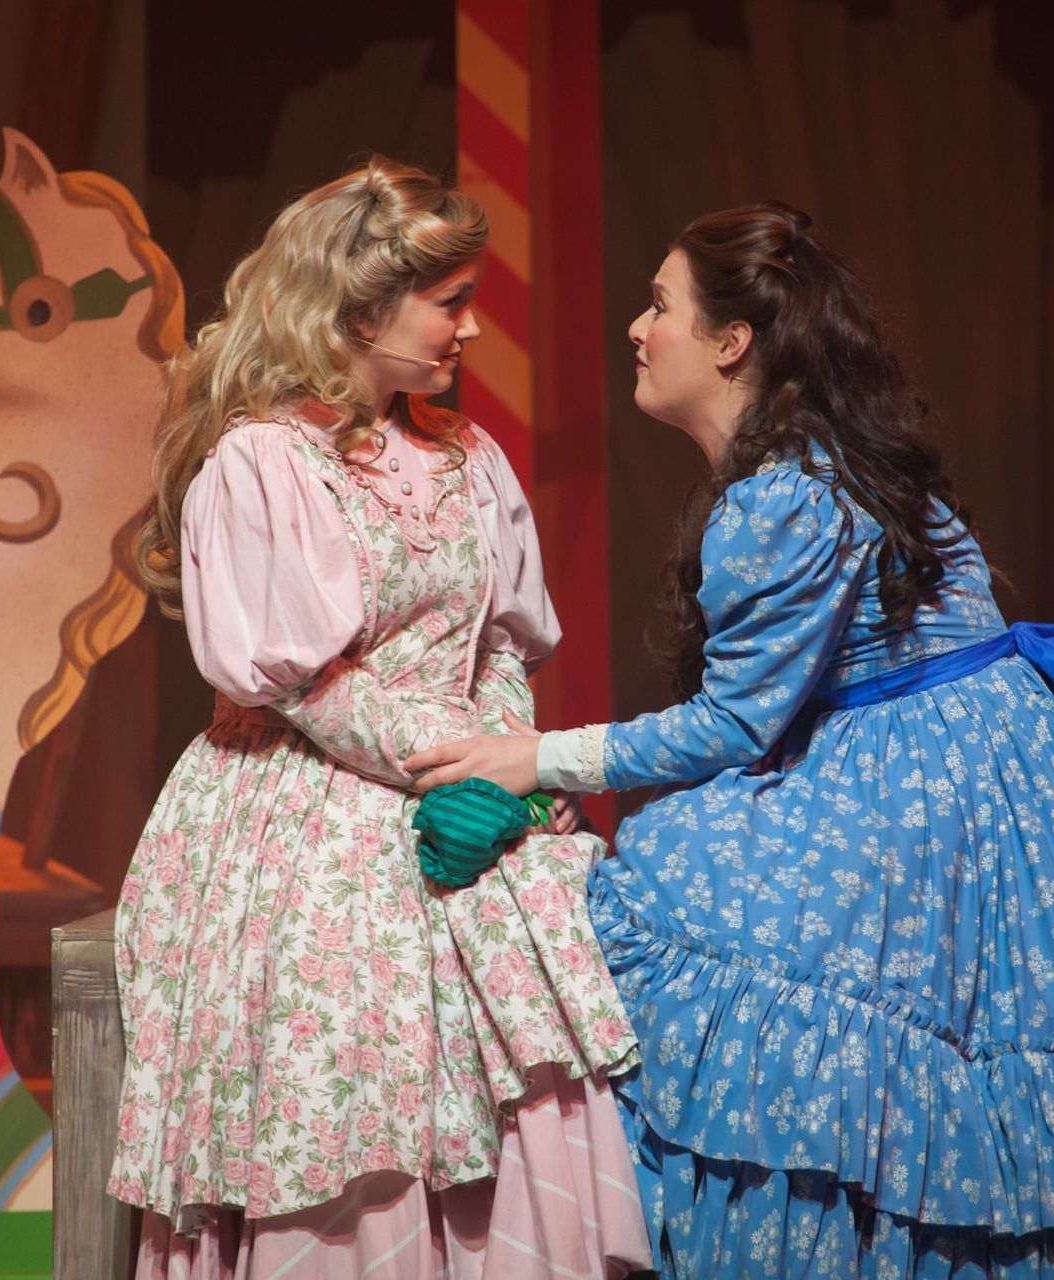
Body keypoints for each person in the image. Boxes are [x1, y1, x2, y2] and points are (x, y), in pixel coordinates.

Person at [408, 203, 1054, 1278]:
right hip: (1015, 780)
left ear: (732, 341)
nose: (638, 330)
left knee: (680, 932)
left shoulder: (784, 498)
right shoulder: (838, 464)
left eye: (660, 306)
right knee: (994, 1061)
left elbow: (735, 721)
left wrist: (540, 755)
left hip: (925, 788)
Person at [107, 157, 650, 1279]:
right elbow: (302, 683)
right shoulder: (264, 460)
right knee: (352, 1065)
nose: (472, 328)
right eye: (450, 302)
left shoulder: (466, 452)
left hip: (462, 784)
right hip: (303, 801)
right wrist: (462, 770)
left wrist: (509, 760)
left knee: (534, 1027)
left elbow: (499, 641)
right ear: (359, 308)